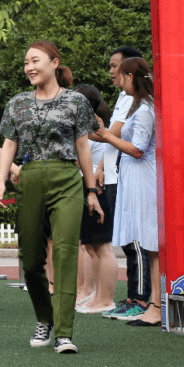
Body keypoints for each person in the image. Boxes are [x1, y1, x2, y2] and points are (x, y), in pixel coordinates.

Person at [0, 40, 104, 354]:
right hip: (29, 180)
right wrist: (1, 180)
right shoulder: (18, 103)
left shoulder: (76, 101)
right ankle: (45, 317)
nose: (29, 67)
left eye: (35, 60)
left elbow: (83, 147)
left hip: (67, 179)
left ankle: (64, 333)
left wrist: (91, 190)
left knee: (66, 253)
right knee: (30, 261)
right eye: (26, 62)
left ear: (54, 62)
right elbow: (10, 145)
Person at [97, 45, 151, 320]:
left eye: (117, 68)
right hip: (126, 177)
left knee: (138, 240)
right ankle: (133, 296)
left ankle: (141, 299)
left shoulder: (142, 107)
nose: (112, 72)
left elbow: (135, 148)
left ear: (131, 75)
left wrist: (103, 134)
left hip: (139, 180)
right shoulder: (129, 101)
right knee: (130, 239)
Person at [72, 85, 117, 315]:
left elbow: (80, 160)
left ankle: (105, 298)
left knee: (101, 247)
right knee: (90, 246)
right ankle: (95, 294)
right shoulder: (85, 126)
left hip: (97, 188)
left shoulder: (94, 127)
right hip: (87, 186)